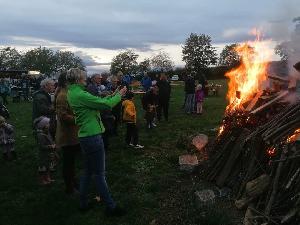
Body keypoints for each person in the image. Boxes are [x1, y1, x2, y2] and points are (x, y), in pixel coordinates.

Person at [66, 68, 127, 216]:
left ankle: (83, 203)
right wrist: (119, 95)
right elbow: (105, 106)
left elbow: (97, 102)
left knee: (87, 172)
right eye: (83, 77)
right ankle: (111, 207)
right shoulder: (80, 94)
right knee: (99, 174)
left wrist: (112, 95)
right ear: (78, 79)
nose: (85, 79)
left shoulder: (73, 92)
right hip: (92, 137)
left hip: (85, 136)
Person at [55, 72, 81, 194]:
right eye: (72, 80)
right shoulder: (62, 96)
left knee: (71, 161)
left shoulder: (67, 93)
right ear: (66, 82)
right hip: (67, 136)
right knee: (68, 162)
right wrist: (79, 119)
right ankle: (69, 188)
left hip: (73, 134)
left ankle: (73, 181)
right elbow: (62, 116)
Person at [33, 116, 56, 185]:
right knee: (43, 168)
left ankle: (48, 178)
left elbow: (51, 140)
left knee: (48, 167)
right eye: (47, 124)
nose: (49, 125)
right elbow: (41, 146)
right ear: (43, 125)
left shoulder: (47, 132)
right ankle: (42, 180)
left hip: (49, 154)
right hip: (43, 155)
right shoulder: (40, 135)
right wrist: (50, 146)